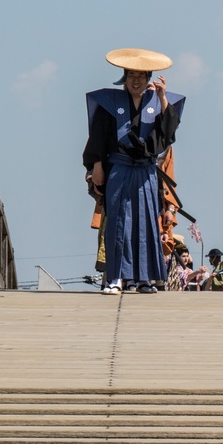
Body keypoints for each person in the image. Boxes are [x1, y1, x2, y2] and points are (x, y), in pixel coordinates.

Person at [83, 48, 185, 295]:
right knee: (118, 224)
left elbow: (168, 135)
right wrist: (97, 167)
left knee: (146, 223)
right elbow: (97, 137)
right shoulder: (111, 103)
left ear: (149, 77)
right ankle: (115, 278)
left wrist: (162, 100)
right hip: (118, 168)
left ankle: (143, 279)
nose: (136, 80)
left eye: (141, 75)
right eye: (131, 75)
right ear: (124, 78)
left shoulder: (158, 102)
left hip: (146, 172)